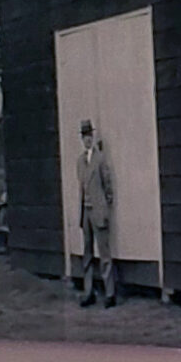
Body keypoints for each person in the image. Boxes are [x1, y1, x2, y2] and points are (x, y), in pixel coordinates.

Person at [76, 119, 118, 308]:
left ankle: (110, 294)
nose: (87, 140)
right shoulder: (80, 161)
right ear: (82, 139)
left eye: (90, 136)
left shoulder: (100, 159)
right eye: (84, 137)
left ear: (93, 138)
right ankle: (88, 292)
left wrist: (104, 206)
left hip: (98, 212)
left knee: (104, 254)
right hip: (85, 213)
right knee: (87, 254)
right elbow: (82, 187)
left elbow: (108, 186)